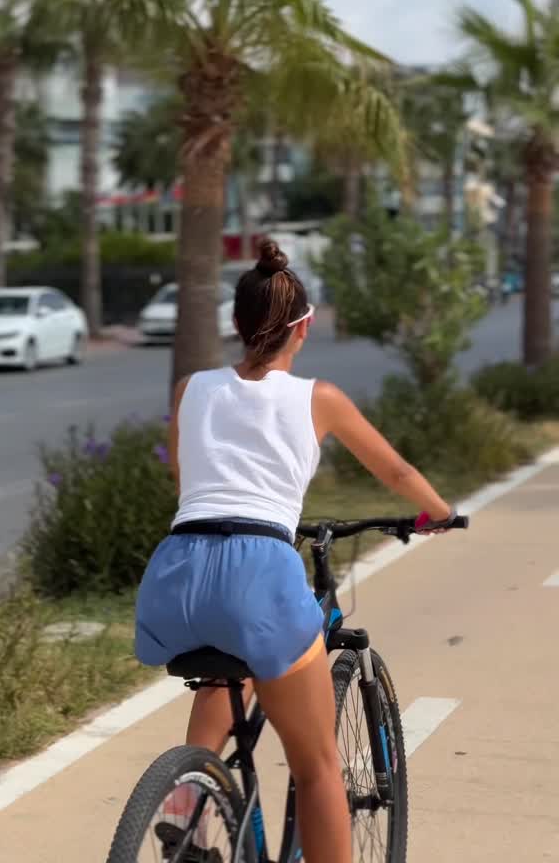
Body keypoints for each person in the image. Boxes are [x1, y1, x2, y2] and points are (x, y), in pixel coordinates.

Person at [135, 239, 454, 863]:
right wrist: (438, 514)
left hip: (175, 571)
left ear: (237, 324)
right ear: (303, 327)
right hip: (259, 569)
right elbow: (396, 470)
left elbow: (187, 480)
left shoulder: (190, 388)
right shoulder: (319, 397)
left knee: (235, 657)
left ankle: (187, 798)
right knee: (318, 767)